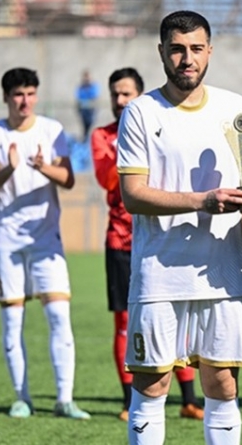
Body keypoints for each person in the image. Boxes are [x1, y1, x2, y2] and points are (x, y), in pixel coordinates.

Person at [116, 11, 242, 445]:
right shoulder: (141, 112)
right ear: (161, 52)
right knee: (152, 384)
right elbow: (133, 194)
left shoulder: (235, 107)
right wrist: (203, 200)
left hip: (222, 273)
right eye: (177, 49)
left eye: (196, 49)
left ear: (209, 51)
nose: (187, 59)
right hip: (159, 274)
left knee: (223, 384)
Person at [91, 67, 204, 422]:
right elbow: (108, 179)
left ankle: (189, 400)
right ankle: (129, 401)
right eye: (115, 94)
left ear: (139, 96)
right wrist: (130, 146)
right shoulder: (102, 136)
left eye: (126, 94)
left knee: (178, 317)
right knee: (125, 322)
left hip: (163, 236)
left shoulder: (160, 126)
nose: (120, 100)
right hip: (121, 241)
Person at [0, 67, 90, 420]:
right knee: (12, 321)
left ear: (36, 95)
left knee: (58, 315)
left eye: (30, 94)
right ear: (6, 98)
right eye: (17, 95)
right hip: (7, 241)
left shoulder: (51, 129)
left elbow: (68, 178)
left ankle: (64, 400)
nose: (24, 101)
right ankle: (22, 397)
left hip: (46, 239)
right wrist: (9, 169)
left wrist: (43, 167)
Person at [76, 70, 99, 141]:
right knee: (85, 128)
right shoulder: (81, 87)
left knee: (91, 126)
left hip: (91, 110)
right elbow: (79, 97)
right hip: (83, 110)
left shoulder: (94, 86)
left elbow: (94, 96)